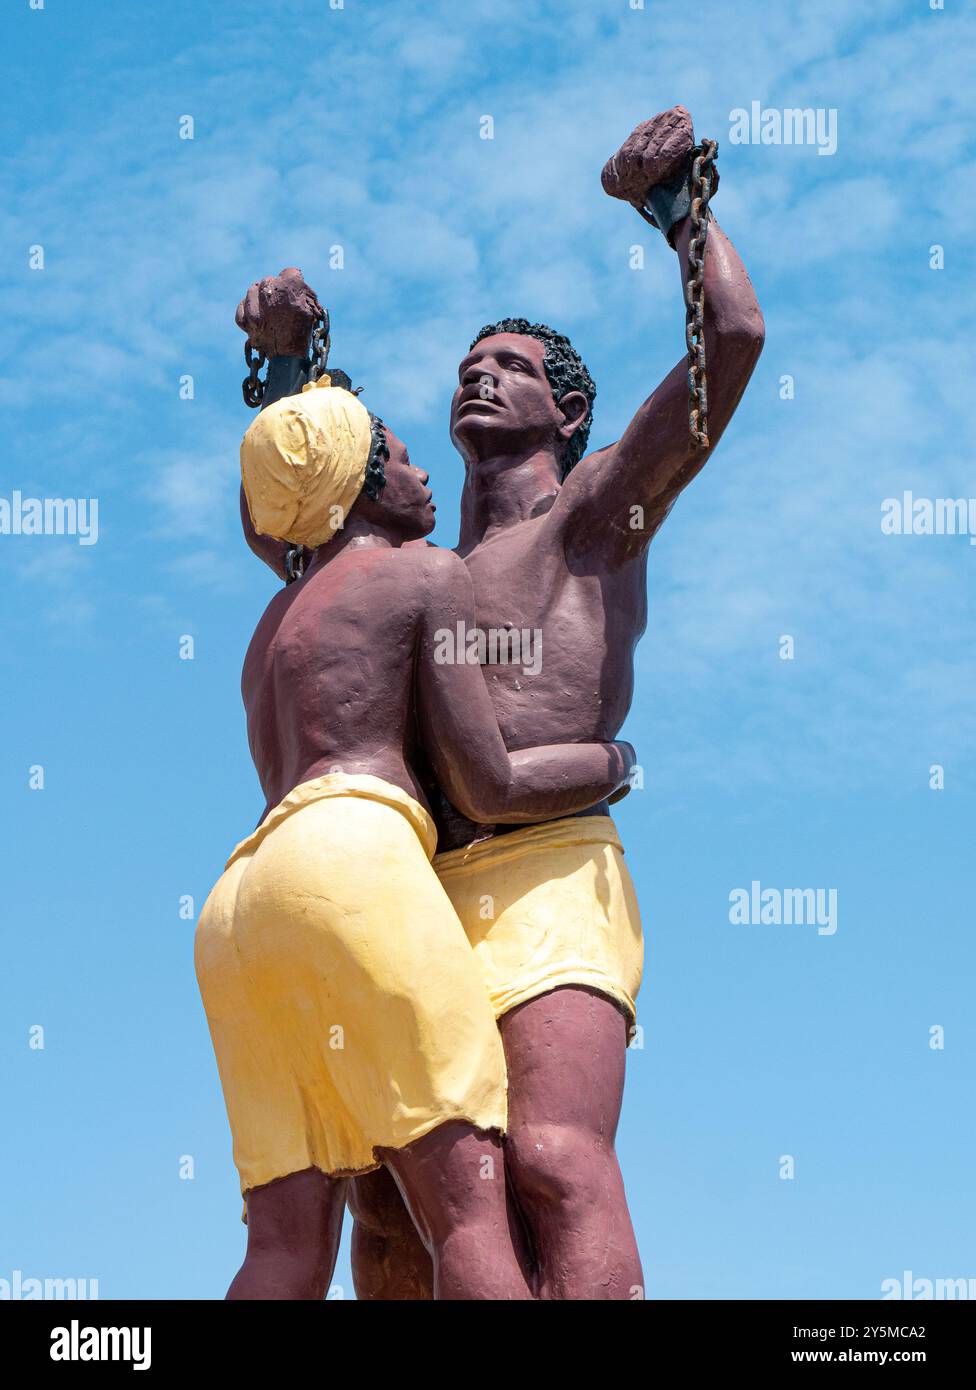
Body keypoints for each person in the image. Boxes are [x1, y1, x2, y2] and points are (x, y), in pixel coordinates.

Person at [238, 104, 764, 1300]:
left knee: (552, 1159)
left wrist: (680, 210)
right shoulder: (397, 564)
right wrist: (289, 371)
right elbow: (305, 492)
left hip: (545, 866)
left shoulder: (596, 514)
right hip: (413, 886)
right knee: (397, 1208)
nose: (481, 371)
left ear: (567, 412)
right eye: (470, 363)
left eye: (515, 366)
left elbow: (727, 342)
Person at [195, 374, 634, 1300]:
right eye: (396, 459)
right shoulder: (427, 572)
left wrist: (289, 389)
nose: (422, 474)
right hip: (355, 859)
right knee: (467, 1203)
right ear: (358, 483)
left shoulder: (273, 626)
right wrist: (612, 762)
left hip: (240, 903)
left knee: (283, 1245)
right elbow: (489, 780)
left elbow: (286, 485)